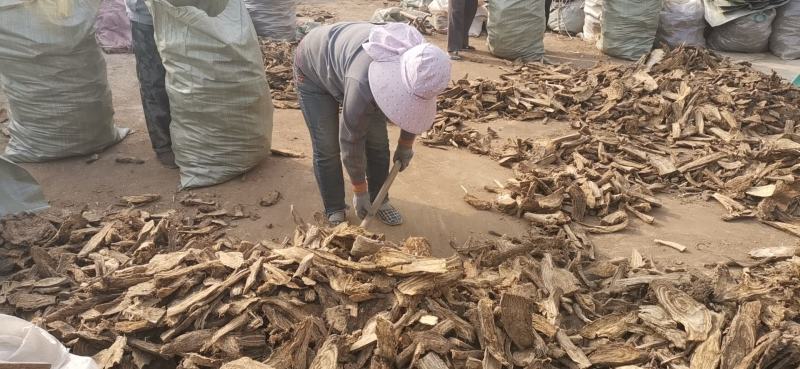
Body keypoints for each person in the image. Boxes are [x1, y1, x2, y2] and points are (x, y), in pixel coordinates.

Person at [293, 22, 451, 226]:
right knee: (327, 146)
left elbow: (415, 104)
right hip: (313, 67)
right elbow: (350, 140)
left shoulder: (424, 64)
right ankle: (335, 206)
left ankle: (380, 200)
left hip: (346, 63)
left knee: (377, 143)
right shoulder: (366, 82)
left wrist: (406, 144)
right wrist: (359, 190)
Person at [124, 0, 176, 168]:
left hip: (185, 15)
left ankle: (193, 137)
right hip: (146, 17)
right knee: (154, 81)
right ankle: (163, 144)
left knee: (188, 79)